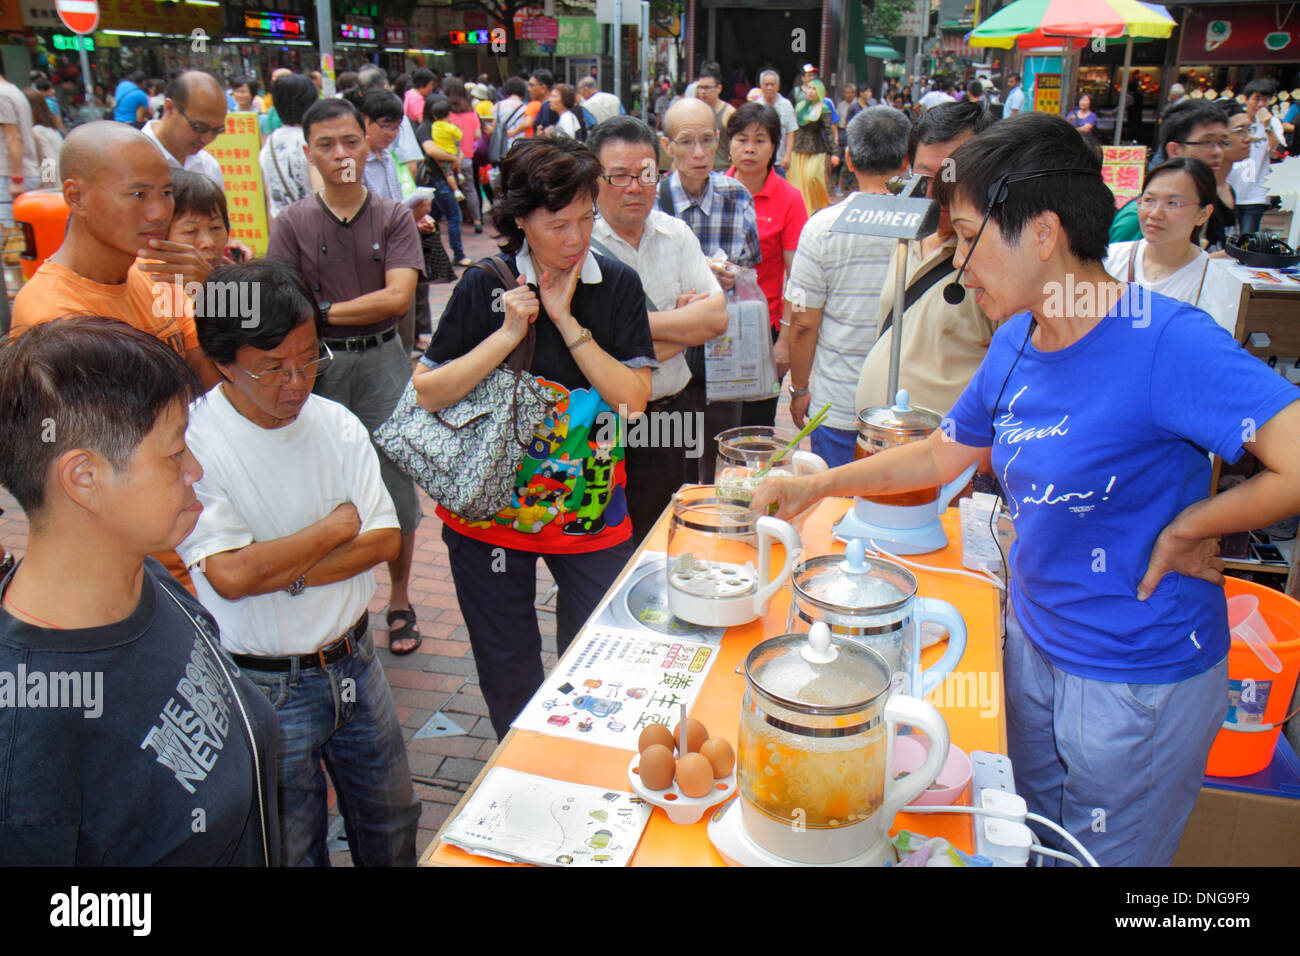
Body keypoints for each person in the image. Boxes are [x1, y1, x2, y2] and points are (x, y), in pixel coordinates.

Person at [754, 111, 1300, 867]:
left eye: (970, 233)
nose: (957, 260)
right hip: (1034, 646)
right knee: (1030, 842)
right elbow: (942, 453)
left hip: (1133, 677)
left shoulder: (1162, 337)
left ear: (1043, 233)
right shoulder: (1017, 337)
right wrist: (818, 487)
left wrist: (1190, 526)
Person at [0, 316, 280, 866]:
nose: (195, 469)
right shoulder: (28, 730)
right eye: (175, 454)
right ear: (84, 479)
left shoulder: (144, 577)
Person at [177, 260, 420, 867]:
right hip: (264, 684)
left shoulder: (335, 424)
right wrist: (336, 527)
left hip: (356, 663)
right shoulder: (194, 444)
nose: (296, 382)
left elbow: (386, 539)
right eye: (272, 368)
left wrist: (284, 568)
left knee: (392, 822)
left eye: (309, 359)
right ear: (224, 362)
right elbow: (230, 576)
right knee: (289, 844)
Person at [412, 137, 655, 738]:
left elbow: (632, 401)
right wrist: (507, 332)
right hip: (491, 514)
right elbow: (428, 390)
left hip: (590, 509)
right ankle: (519, 773)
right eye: (557, 224)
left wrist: (568, 322)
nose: (575, 239)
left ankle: (582, 760)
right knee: (509, 666)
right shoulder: (483, 285)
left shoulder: (616, 284)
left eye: (585, 219)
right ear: (520, 220)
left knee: (599, 656)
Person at [267, 97, 427, 655]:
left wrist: (324, 310)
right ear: (308, 152)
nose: (340, 155)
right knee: (313, 480)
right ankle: (327, 599)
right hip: (317, 368)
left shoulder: (393, 215)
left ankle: (401, 598)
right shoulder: (291, 223)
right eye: (326, 145)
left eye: (350, 142)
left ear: (367, 142)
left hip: (384, 361)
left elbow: (399, 295)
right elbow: (286, 303)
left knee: (396, 484)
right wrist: (325, 313)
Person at [588, 116, 727, 541]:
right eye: (619, 176)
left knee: (671, 532)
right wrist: (679, 329)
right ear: (594, 178)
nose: (635, 187)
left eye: (646, 174)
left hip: (674, 410)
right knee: (603, 542)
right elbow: (591, 349)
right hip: (605, 421)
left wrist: (623, 334)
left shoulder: (676, 234)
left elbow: (715, 320)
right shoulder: (579, 245)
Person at [784, 106, 908, 466]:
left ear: (850, 160)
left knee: (836, 513)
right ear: (906, 162)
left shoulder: (823, 227)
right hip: (903, 410)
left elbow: (804, 324)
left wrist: (800, 389)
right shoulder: (925, 228)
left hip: (839, 404)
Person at [856, 100, 997, 416]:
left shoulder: (997, 258)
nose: (936, 194)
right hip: (879, 442)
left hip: (946, 457)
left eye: (953, 176)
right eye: (925, 177)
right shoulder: (906, 234)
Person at [657, 97, 762, 481]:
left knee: (721, 449)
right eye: (686, 142)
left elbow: (750, 266)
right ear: (666, 145)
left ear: (718, 139)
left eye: (706, 139)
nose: (699, 152)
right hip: (670, 350)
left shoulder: (737, 195)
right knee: (674, 450)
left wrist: (732, 275)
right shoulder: (651, 201)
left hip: (723, 348)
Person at [725, 101, 808, 427]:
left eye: (760, 140)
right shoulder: (713, 191)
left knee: (754, 425)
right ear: (729, 143)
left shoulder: (789, 199)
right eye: (741, 139)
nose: (749, 149)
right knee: (713, 426)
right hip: (713, 325)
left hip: (764, 328)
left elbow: (798, 277)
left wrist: (784, 343)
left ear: (774, 147)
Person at [1105, 158, 1215, 308]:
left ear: (1203, 214)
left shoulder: (1212, 280)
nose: (1155, 214)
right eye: (1149, 200)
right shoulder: (1109, 259)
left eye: (1173, 203)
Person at [1110, 100, 1226, 242]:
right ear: (1175, 150)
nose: (1217, 152)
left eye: (1222, 142)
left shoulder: (1202, 200)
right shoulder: (1139, 219)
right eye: (1207, 142)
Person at [142, 70, 226, 187]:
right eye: (199, 127)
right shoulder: (130, 160)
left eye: (217, 131)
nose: (206, 139)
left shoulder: (209, 167)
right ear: (170, 108)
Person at [260, 72, 323, 220]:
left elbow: (270, 200)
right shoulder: (311, 143)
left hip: (283, 230)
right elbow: (321, 195)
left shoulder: (268, 145)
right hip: (311, 227)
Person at [418, 96, 472, 267]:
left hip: (443, 179)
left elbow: (457, 143)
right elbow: (431, 150)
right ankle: (458, 254)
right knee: (454, 215)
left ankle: (428, 256)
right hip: (437, 179)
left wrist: (457, 155)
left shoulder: (438, 126)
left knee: (432, 218)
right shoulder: (425, 129)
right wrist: (453, 157)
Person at [1229, 80, 1284, 235]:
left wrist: (1267, 126)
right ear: (1246, 99)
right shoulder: (1235, 120)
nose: (1261, 104)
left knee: (1247, 239)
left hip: (1255, 194)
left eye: (1265, 100)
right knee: (1224, 239)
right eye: (1256, 99)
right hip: (1230, 188)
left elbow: (1276, 152)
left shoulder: (1273, 123)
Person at [787, 70, 834, 214]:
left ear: (820, 92)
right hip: (798, 149)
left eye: (815, 88)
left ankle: (816, 208)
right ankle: (800, 211)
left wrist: (835, 153)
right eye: (809, 87)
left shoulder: (824, 108)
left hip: (816, 150)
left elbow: (828, 131)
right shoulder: (799, 106)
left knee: (812, 178)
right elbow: (792, 129)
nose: (811, 91)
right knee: (796, 183)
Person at [443, 77, 484, 232]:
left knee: (451, 189)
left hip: (448, 158)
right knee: (470, 189)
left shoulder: (446, 113)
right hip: (467, 157)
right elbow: (478, 134)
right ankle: (477, 221)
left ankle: (455, 220)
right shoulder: (471, 112)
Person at [0, 64, 39, 222]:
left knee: (10, 236)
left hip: (10, 175)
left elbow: (13, 137)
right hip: (21, 173)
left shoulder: (1, 95)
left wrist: (16, 179)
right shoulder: (13, 91)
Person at [1212, 99, 1251, 244]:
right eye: (1240, 130)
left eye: (1249, 129)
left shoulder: (1229, 190)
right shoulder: (1199, 192)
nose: (1249, 138)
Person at [693, 65, 735, 172]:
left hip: (722, 170)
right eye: (700, 87)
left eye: (707, 87)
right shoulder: (694, 111)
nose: (702, 91)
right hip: (698, 171)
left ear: (719, 88)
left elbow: (736, 147)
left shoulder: (728, 112)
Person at [757, 70, 797, 175]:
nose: (770, 88)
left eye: (772, 84)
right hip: (760, 159)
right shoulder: (756, 105)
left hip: (780, 161)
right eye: (767, 85)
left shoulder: (786, 105)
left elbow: (791, 132)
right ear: (761, 86)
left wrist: (787, 156)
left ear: (778, 86)